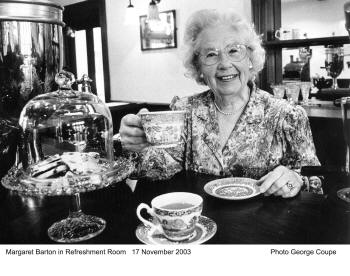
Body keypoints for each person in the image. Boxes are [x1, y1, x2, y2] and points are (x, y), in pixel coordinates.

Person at [118, 9, 323, 197]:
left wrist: (294, 182)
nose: (224, 64)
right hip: (202, 227)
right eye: (211, 54)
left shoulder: (287, 115)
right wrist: (137, 147)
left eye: (234, 51)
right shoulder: (184, 112)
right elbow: (157, 170)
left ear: (250, 58)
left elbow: (315, 185)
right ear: (198, 67)